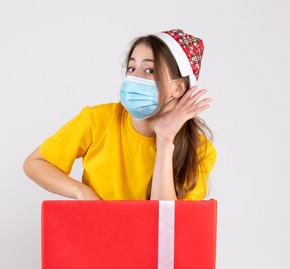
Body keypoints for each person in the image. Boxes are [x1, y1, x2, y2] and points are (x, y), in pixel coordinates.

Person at [23, 29, 216, 200]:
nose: (134, 77)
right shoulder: (98, 120)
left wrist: (165, 139)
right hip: (99, 238)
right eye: (131, 68)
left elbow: (165, 223)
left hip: (152, 242)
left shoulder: (200, 150)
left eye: (149, 70)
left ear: (178, 87)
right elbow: (35, 163)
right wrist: (82, 192)